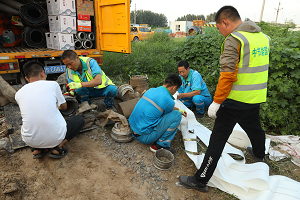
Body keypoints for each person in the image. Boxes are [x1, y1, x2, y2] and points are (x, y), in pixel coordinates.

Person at [179, 6, 270, 192]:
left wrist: (217, 101)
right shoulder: (263, 38)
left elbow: (227, 75)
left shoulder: (234, 40)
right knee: (254, 128)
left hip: (234, 99)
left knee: (217, 140)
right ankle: (260, 154)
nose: (220, 32)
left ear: (225, 22)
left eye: (219, 27)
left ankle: (201, 180)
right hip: (255, 96)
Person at [15, 61, 85, 159]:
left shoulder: (18, 94)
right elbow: (64, 107)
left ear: (26, 78)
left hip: (30, 140)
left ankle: (37, 149)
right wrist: (56, 106)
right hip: (55, 138)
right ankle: (58, 147)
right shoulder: (53, 85)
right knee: (79, 120)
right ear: (42, 73)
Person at [129, 73, 187, 154]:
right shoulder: (169, 101)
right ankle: (161, 145)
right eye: (176, 90)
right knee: (176, 115)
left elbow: (164, 106)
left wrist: (179, 109)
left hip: (133, 129)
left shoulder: (151, 90)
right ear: (174, 88)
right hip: (144, 137)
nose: (175, 92)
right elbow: (169, 109)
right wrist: (179, 111)